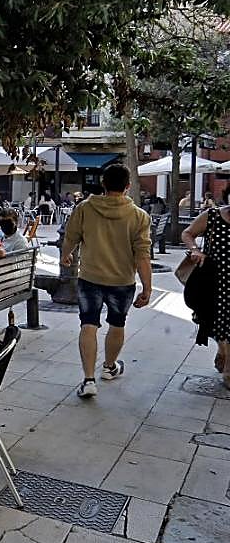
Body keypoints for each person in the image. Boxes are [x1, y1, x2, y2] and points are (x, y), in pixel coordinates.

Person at [60, 164, 152, 400]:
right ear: (128, 186)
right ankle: (109, 367)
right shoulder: (139, 216)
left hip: (90, 277)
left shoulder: (85, 208)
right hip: (122, 280)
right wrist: (147, 287)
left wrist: (65, 255)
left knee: (88, 325)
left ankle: (89, 380)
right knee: (117, 324)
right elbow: (142, 255)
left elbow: (71, 236)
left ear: (103, 183)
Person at [182, 201, 230, 389]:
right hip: (214, 281)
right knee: (216, 322)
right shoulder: (213, 216)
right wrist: (195, 250)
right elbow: (187, 233)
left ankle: (228, 370)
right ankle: (223, 349)